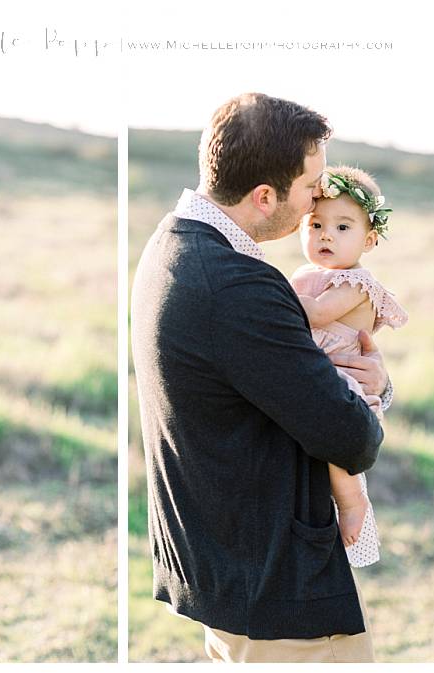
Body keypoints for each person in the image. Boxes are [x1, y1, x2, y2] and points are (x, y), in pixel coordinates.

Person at [130, 93, 391, 663]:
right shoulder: (237, 284)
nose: (315, 200)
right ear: (265, 195)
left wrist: (371, 378)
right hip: (277, 592)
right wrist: (371, 395)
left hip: (232, 574)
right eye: (309, 186)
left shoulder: (170, 244)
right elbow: (350, 437)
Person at [291, 165, 408, 565]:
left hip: (339, 373)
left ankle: (353, 500)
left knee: (335, 446)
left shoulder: (356, 283)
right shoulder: (308, 274)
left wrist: (262, 290)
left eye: (343, 228)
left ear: (369, 239)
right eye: (316, 224)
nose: (327, 235)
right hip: (314, 367)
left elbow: (318, 315)